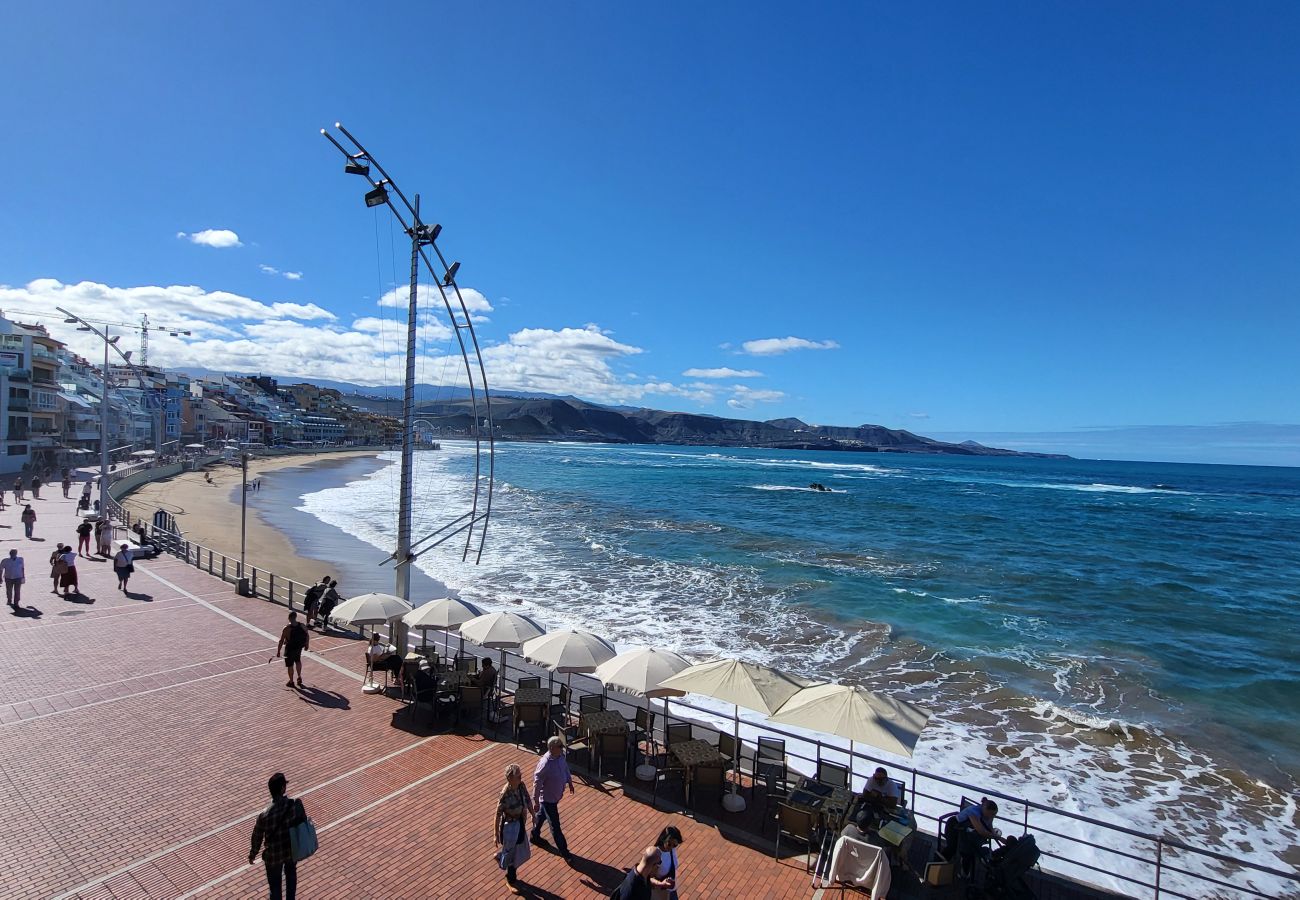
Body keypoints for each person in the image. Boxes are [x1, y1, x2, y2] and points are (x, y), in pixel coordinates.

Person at [248, 772, 305, 900]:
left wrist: (253, 854)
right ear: (283, 788)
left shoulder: (264, 815)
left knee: (275, 887)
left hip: (273, 855)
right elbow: (302, 822)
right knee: (291, 876)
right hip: (291, 850)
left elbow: (257, 836)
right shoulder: (293, 805)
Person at [530, 735, 575, 860]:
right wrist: (536, 800)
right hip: (548, 800)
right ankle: (564, 851)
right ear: (552, 748)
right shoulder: (545, 764)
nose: (562, 748)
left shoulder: (560, 756)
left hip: (554, 797)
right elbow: (537, 783)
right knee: (555, 826)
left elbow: (565, 769)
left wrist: (570, 782)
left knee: (541, 815)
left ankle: (534, 835)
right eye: (560, 746)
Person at [494, 763, 533, 892]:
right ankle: (510, 880)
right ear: (510, 779)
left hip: (520, 822)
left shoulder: (521, 786)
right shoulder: (504, 794)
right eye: (518, 776)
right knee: (512, 853)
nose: (521, 777)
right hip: (509, 826)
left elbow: (527, 799)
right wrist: (495, 835)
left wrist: (533, 814)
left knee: (520, 847)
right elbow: (497, 815)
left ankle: (502, 856)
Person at [955, 797, 1004, 878]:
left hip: (970, 833)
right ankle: (963, 871)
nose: (993, 816)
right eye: (992, 814)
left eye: (994, 814)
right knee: (965, 850)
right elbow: (981, 831)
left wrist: (994, 834)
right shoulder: (973, 812)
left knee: (974, 847)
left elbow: (989, 825)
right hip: (956, 828)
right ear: (985, 810)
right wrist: (999, 838)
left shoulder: (988, 814)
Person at [277, 611, 309, 688]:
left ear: (289, 618)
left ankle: (291, 681)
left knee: (290, 665)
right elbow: (307, 635)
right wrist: (307, 645)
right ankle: (299, 676)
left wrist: (278, 651)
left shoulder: (287, 628)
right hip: (298, 647)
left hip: (290, 648)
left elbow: (281, 640)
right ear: (295, 617)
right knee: (298, 661)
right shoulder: (302, 625)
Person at [650, 826, 683, 900]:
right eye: (669, 844)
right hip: (661, 892)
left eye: (675, 845)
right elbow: (650, 878)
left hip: (672, 890)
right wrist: (661, 884)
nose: (672, 847)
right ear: (663, 839)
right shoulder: (657, 856)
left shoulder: (671, 849)